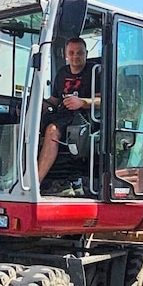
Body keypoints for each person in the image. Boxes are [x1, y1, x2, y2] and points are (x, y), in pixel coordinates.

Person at [37, 37, 99, 188]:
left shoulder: (96, 71)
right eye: (71, 53)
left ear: (86, 53)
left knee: (52, 130)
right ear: (66, 54)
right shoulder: (62, 72)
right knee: (29, 125)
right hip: (62, 114)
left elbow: (104, 101)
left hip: (83, 118)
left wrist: (83, 102)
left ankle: (35, 182)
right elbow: (54, 100)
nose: (75, 56)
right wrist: (37, 106)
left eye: (79, 53)